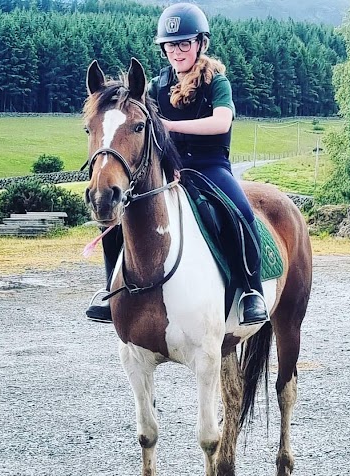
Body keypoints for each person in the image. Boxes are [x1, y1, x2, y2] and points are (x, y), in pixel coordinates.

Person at [86, 2, 269, 326]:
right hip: (169, 165)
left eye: (185, 43)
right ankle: (110, 292)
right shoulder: (157, 84)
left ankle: (250, 290)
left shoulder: (216, 81)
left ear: (200, 44)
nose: (177, 50)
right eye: (171, 45)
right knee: (117, 216)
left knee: (239, 211)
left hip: (210, 165)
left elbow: (221, 122)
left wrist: (171, 126)